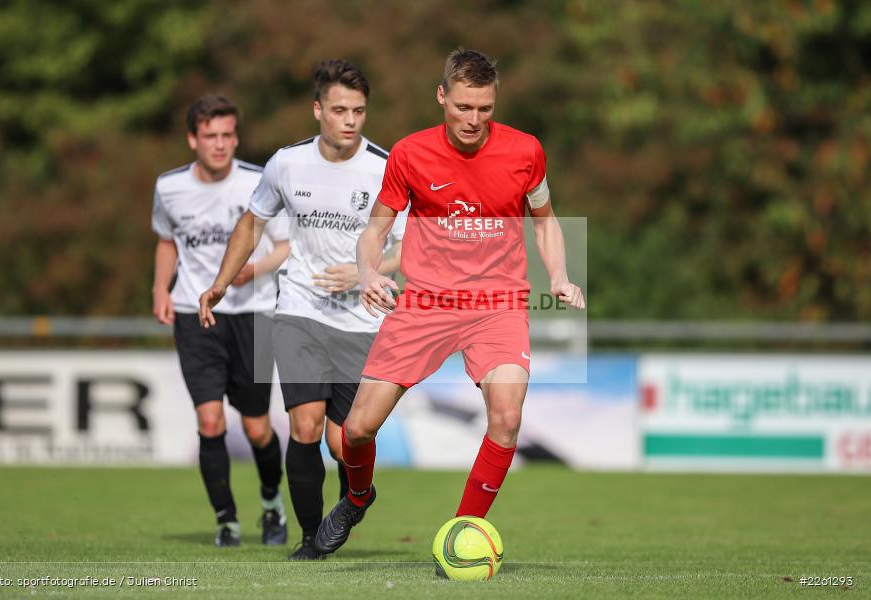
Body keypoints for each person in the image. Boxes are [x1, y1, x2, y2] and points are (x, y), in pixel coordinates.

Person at [313, 48, 586, 555]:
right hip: (425, 304)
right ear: (442, 97)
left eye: (484, 108)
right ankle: (355, 497)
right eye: (463, 107)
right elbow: (375, 231)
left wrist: (560, 276)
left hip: (498, 303)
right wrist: (369, 272)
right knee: (356, 428)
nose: (473, 120)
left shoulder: (526, 152)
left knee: (506, 418)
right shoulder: (410, 154)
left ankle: (464, 534)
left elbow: (545, 220)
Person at [198, 60, 405, 560]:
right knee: (305, 426)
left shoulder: (386, 167)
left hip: (362, 321)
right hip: (298, 310)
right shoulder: (286, 164)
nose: (350, 120)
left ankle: (353, 501)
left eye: (358, 111)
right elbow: (251, 224)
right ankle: (312, 540)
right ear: (318, 110)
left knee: (344, 444)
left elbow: (413, 246)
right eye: (339, 110)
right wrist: (220, 283)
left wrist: (366, 273)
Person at [152, 95, 291, 547]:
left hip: (254, 315)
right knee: (210, 421)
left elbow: (285, 245)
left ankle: (272, 504)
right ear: (193, 139)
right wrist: (160, 289)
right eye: (210, 136)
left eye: (227, 135)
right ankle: (226, 520)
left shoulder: (259, 182)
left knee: (256, 426)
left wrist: (253, 269)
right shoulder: (169, 187)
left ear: (236, 137)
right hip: (195, 315)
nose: (220, 144)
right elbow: (166, 240)